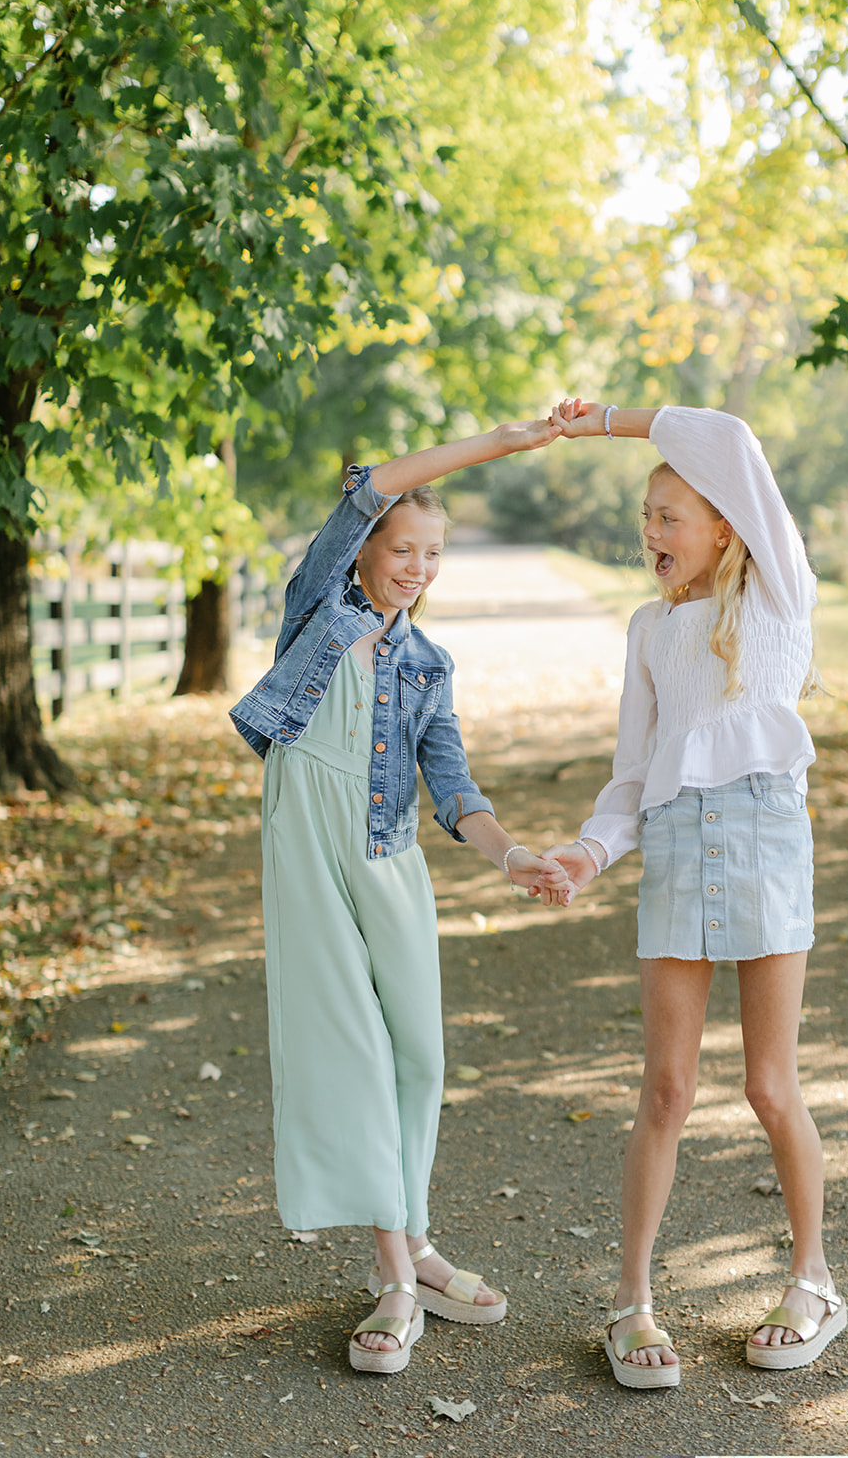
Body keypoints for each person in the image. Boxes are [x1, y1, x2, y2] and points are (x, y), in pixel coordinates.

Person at [230, 419, 570, 1375]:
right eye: (402, 546)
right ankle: (393, 1273)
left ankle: (413, 1241)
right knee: (352, 1048)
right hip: (308, 840)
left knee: (420, 1052)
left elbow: (454, 791)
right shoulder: (318, 606)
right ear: (367, 545)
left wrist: (515, 859)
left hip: (387, 852)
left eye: (433, 554)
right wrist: (497, 444)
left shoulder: (427, 665)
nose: (416, 566)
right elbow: (373, 484)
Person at [538, 398, 846, 1389]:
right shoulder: (645, 629)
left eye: (667, 514)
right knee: (665, 1091)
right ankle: (629, 1304)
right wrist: (587, 852)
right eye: (643, 517)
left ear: (724, 523)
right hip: (674, 847)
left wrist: (610, 421)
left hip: (762, 841)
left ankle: (813, 1281)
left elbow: (732, 440)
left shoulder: (775, 601)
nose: (650, 533)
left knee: (769, 1085)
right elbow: (632, 774)